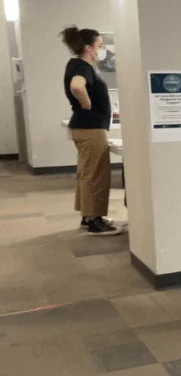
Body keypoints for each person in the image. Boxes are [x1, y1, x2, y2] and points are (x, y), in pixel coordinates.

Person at [61, 26, 121, 235]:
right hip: (90, 128)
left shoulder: (76, 65)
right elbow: (77, 86)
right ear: (88, 48)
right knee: (96, 175)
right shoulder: (82, 67)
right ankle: (94, 220)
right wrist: (86, 103)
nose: (100, 51)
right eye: (98, 46)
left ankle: (89, 216)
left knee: (88, 173)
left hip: (86, 127)